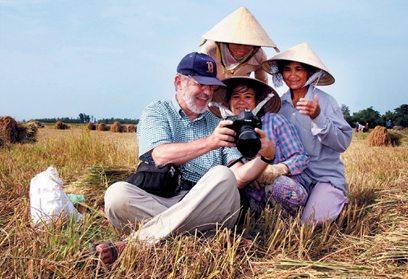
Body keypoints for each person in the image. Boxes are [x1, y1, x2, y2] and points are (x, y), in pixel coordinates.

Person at [90, 52, 276, 265]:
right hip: (164, 198)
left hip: (209, 204)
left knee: (222, 175)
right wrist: (210, 142)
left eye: (212, 87)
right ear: (179, 82)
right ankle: (206, 239)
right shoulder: (157, 111)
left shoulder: (219, 122)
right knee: (116, 195)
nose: (207, 92)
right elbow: (159, 155)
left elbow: (238, 178)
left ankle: (134, 245)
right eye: (201, 84)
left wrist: (265, 157)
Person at [261, 42, 353, 226]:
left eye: (299, 69)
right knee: (275, 190)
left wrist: (318, 117)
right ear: (281, 74)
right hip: (295, 175)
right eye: (287, 69)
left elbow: (342, 143)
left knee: (311, 223)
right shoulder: (278, 105)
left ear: (310, 73)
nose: (293, 75)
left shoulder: (326, 102)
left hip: (324, 177)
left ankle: (333, 201)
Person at [208, 77, 309, 213]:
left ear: (258, 102)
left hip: (283, 189)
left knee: (278, 186)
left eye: (248, 97)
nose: (242, 101)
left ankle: (286, 223)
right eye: (236, 96)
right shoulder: (225, 129)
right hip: (251, 196)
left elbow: (301, 157)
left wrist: (279, 169)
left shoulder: (277, 122)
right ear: (229, 102)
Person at [199, 7, 279, 84]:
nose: (242, 49)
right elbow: (200, 77)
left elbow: (262, 82)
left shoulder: (259, 56)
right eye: (237, 43)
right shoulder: (210, 50)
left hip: (237, 93)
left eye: (248, 44)